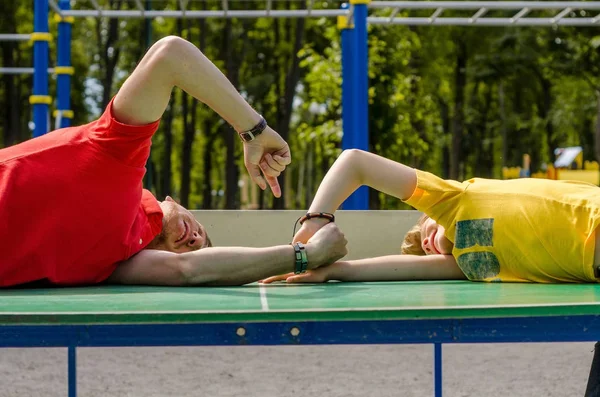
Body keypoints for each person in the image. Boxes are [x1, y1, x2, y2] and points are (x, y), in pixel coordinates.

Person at [0, 35, 348, 288]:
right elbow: (170, 55)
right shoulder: (118, 158)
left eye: (196, 248)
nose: (196, 241)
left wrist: (305, 256)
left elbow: (191, 270)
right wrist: (254, 131)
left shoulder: (116, 264)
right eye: (202, 231)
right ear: (172, 201)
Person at [261, 148, 600, 284]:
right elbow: (392, 268)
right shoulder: (469, 263)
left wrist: (316, 219)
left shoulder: (451, 201)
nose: (427, 242)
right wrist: (327, 271)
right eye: (425, 247)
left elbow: (355, 163)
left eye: (426, 228)